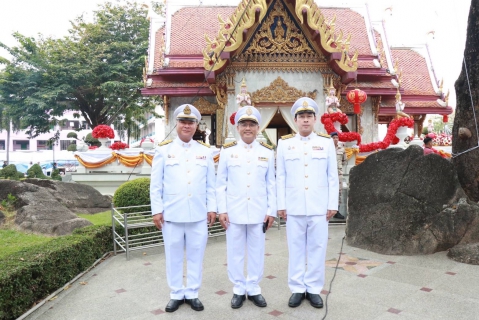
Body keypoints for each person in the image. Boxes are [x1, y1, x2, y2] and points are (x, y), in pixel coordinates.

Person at [150, 104, 217, 313]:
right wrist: (156, 210)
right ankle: (176, 293)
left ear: (196, 125)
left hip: (197, 214)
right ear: (176, 124)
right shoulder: (163, 150)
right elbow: (156, 184)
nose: (186, 126)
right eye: (183, 121)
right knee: (173, 255)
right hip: (172, 214)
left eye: (191, 122)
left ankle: (193, 292)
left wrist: (212, 208)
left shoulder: (205, 152)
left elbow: (210, 185)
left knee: (196, 254)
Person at [276, 97, 339, 309]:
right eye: (301, 116)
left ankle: (313, 288)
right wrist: (281, 204)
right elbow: (281, 176)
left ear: (314, 119)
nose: (305, 120)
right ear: (295, 120)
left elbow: (332, 176)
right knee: (295, 248)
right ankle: (296, 288)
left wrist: (333, 204)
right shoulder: (285, 144)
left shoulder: (326, 142)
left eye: (308, 116)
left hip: (319, 206)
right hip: (294, 206)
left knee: (317, 248)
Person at [216, 106, 276, 309]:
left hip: (259, 211)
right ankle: (239, 289)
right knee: (235, 252)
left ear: (258, 127)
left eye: (252, 124)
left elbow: (271, 184)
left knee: (257, 251)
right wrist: (222, 210)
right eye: (244, 124)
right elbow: (220, 184)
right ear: (237, 127)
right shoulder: (228, 151)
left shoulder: (267, 153)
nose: (248, 128)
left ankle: (254, 287)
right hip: (234, 211)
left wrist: (271, 211)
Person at [330, 132, 346, 219]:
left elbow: (344, 160)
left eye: (337, 137)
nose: (335, 139)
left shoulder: (341, 149)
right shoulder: (327, 148)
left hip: (338, 173)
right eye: (333, 138)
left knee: (338, 192)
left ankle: (337, 211)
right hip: (327, 174)